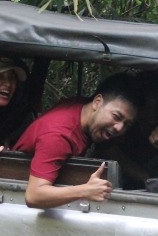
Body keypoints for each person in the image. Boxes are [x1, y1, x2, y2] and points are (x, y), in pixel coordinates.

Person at [13, 72, 144, 209]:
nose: (119, 128)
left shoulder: (84, 111)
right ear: (97, 102)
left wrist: (145, 178)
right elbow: (34, 196)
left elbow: (110, 150)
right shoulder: (59, 136)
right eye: (117, 117)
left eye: (127, 124)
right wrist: (85, 190)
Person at [92, 71, 158, 190]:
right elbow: (108, 151)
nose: (154, 113)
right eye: (149, 106)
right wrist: (146, 178)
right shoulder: (120, 126)